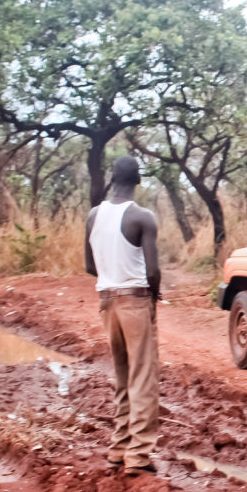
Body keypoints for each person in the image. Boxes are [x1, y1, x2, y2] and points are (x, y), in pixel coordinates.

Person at [85, 156, 162, 475]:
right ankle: (139, 456)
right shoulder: (142, 217)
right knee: (143, 376)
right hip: (135, 301)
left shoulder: (93, 215)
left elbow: (89, 266)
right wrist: (154, 298)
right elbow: (153, 269)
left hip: (106, 301)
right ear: (138, 181)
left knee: (122, 374)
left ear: (112, 181)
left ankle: (119, 446)